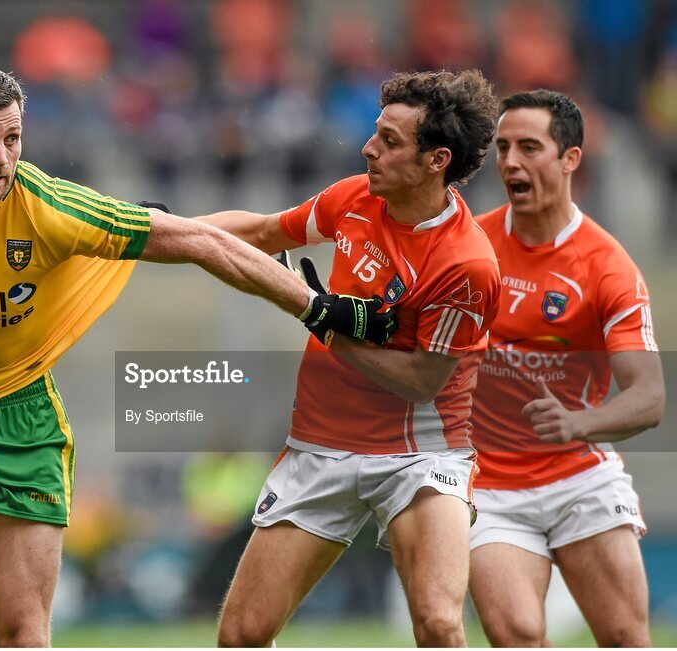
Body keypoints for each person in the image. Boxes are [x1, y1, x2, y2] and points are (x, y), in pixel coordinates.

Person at [0, 63, 388, 648]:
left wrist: (317, 307)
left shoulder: (49, 208)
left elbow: (199, 239)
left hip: (24, 420)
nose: (2, 159)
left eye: (13, 139)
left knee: (24, 634)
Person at [194, 69, 501, 647]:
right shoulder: (356, 197)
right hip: (320, 446)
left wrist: (319, 317)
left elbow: (420, 383)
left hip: (419, 456)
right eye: (374, 133)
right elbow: (261, 234)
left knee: (438, 623)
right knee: (240, 635)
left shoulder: (466, 264)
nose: (369, 148)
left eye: (390, 140)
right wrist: (158, 229)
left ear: (436, 160)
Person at [468, 90, 664, 647]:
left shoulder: (607, 267)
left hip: (580, 480)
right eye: (503, 148)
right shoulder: (469, 245)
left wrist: (577, 424)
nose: (510, 162)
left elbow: (648, 398)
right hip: (490, 485)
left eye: (529, 147)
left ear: (570, 159)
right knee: (516, 634)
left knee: (625, 637)